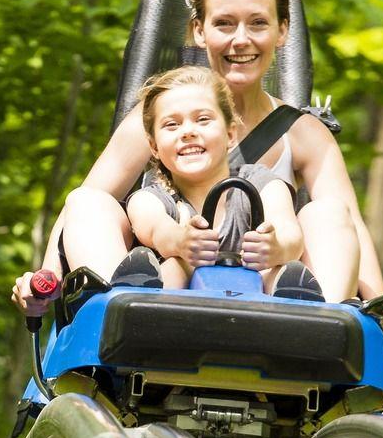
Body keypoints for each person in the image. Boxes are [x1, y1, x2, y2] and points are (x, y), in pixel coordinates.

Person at [13, 0, 383, 343]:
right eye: (224, 23)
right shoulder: (152, 118)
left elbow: (349, 228)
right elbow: (81, 208)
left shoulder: (304, 133)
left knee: (328, 212)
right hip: (164, 287)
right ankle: (116, 314)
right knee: (87, 200)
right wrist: (45, 279)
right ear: (200, 31)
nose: (241, 39)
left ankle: (319, 330)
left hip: (266, 295)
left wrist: (382, 311)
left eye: (257, 23)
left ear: (282, 31)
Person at [122, 65, 306, 293]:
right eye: (172, 124)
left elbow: (290, 233)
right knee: (177, 265)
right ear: (154, 147)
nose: (188, 132)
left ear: (230, 135)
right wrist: (182, 242)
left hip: (257, 305)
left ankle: (309, 310)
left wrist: (277, 247)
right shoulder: (151, 199)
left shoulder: (262, 184)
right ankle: (139, 315)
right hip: (179, 314)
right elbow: (157, 230)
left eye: (202, 119)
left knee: (277, 271)